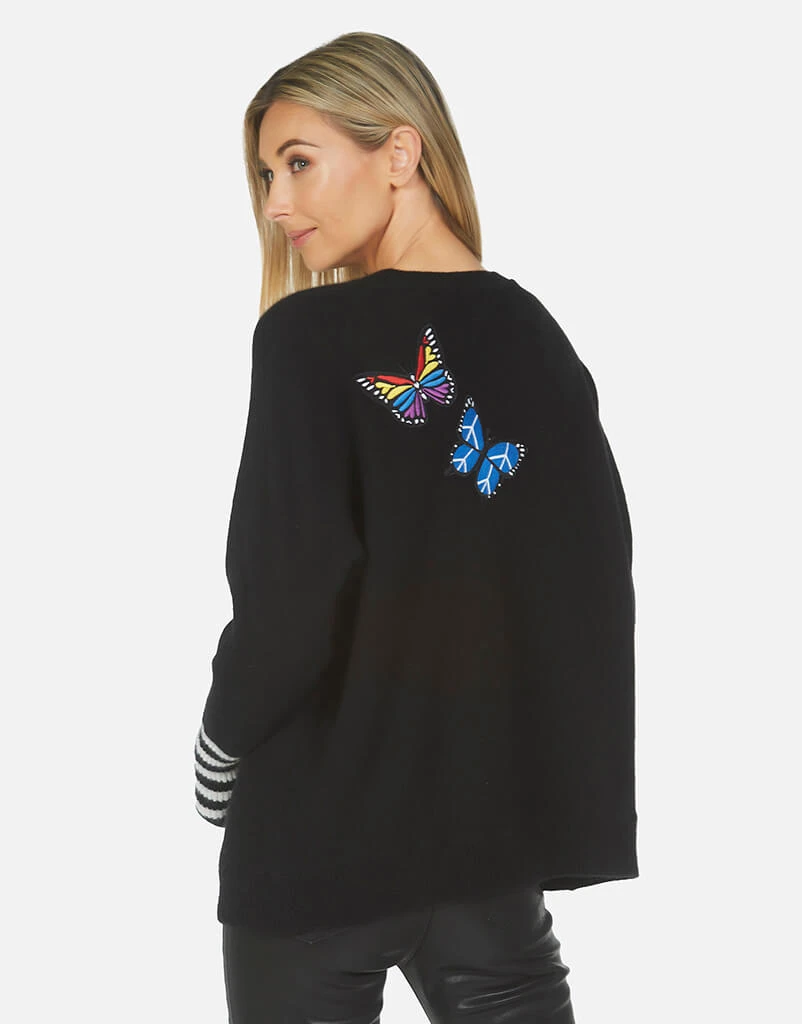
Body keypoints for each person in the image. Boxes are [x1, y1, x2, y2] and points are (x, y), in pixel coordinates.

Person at [193, 30, 638, 1023]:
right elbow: (586, 578)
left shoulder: (306, 337)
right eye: (265, 175)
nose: (276, 204)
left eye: (298, 163)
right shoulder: (536, 337)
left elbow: (292, 590)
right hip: (479, 855)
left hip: (312, 852)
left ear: (399, 153)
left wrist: (221, 738)